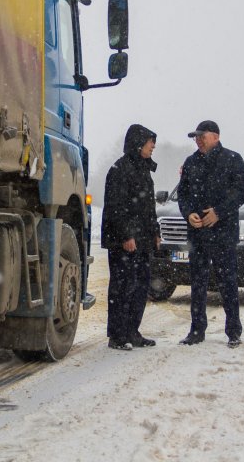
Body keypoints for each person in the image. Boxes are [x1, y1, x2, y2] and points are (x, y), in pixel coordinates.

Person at [176, 120, 244, 348]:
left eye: (202, 136)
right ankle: (197, 330)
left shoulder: (232, 159)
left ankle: (233, 332)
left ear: (216, 137)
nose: (198, 140)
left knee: (227, 282)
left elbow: (243, 191)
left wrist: (219, 212)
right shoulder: (191, 162)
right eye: (195, 137)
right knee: (197, 284)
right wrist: (188, 213)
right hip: (198, 235)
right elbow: (183, 194)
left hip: (223, 233)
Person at [101, 124, 161, 350]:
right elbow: (116, 207)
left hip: (143, 240)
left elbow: (148, 206)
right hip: (124, 241)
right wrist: (126, 235)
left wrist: (155, 232)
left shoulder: (144, 169)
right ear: (138, 144)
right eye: (150, 142)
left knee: (140, 286)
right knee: (122, 287)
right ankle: (117, 335)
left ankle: (132, 331)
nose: (153, 146)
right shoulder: (120, 169)